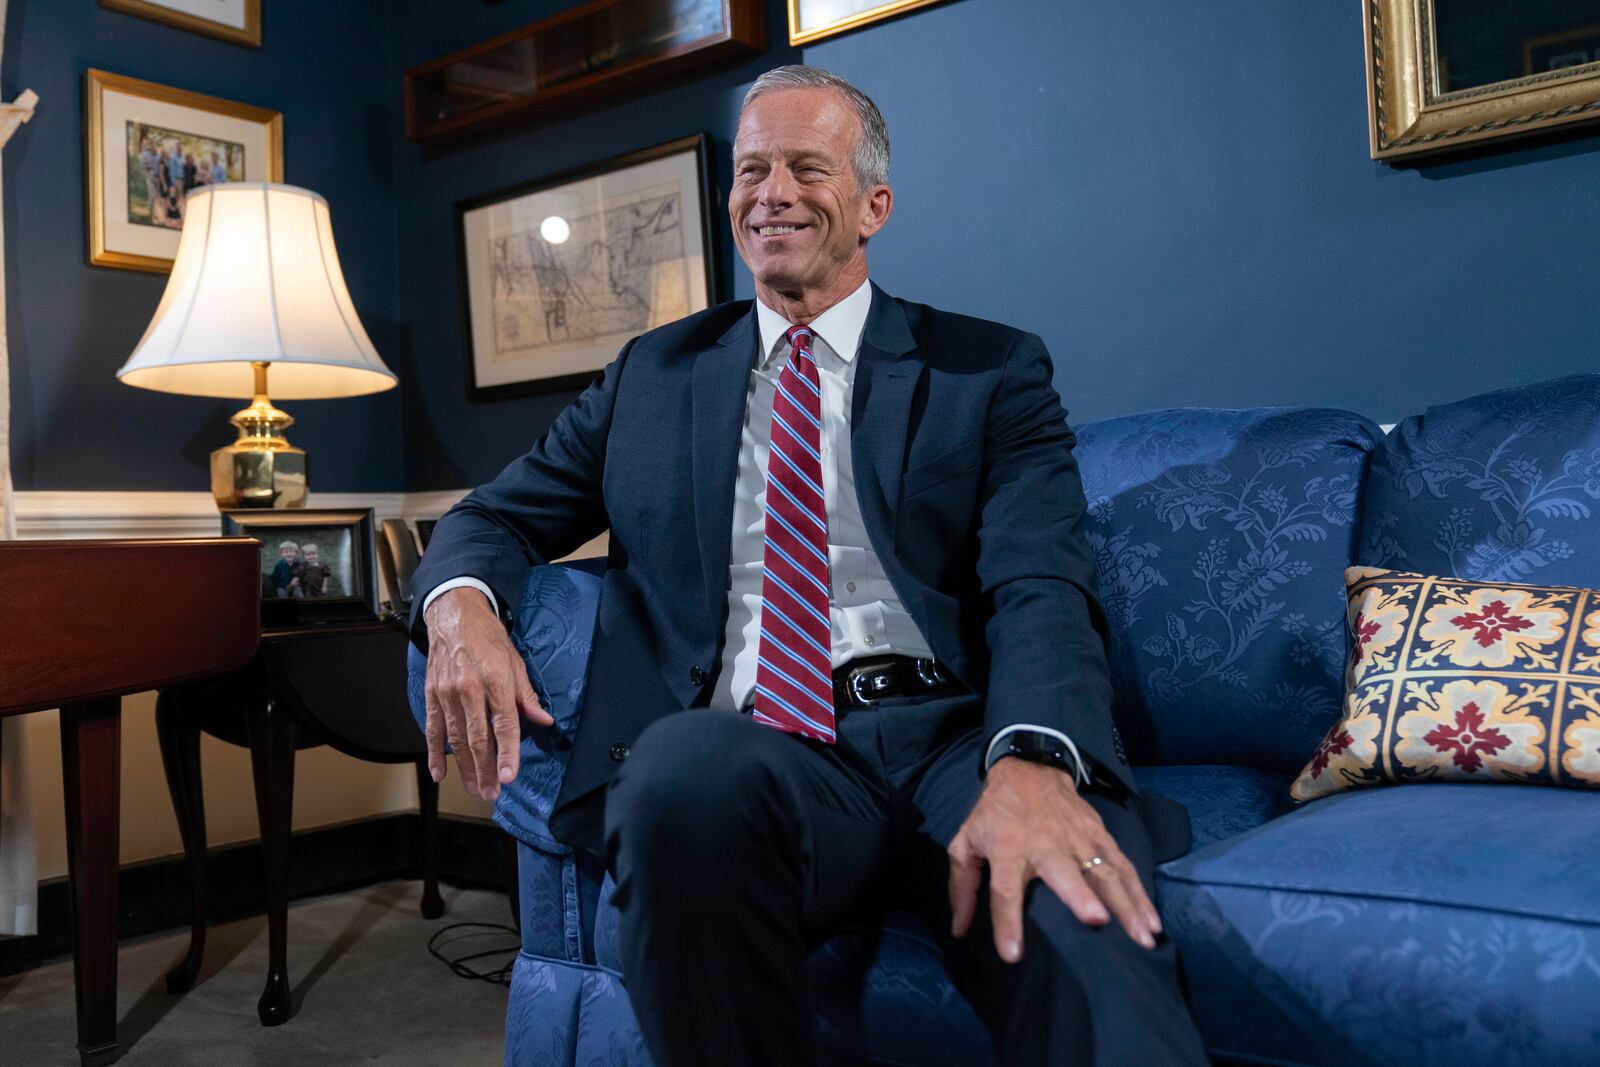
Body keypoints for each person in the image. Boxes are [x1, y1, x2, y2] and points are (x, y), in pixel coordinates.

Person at [412, 65, 1208, 1067]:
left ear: (873, 203)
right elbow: (492, 514)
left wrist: (1035, 759)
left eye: (805, 167)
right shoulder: (648, 376)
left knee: (1084, 921)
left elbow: (1038, 581)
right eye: (751, 170)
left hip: (949, 739)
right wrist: (461, 609)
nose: (771, 192)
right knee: (678, 766)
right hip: (753, 759)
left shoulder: (988, 368)